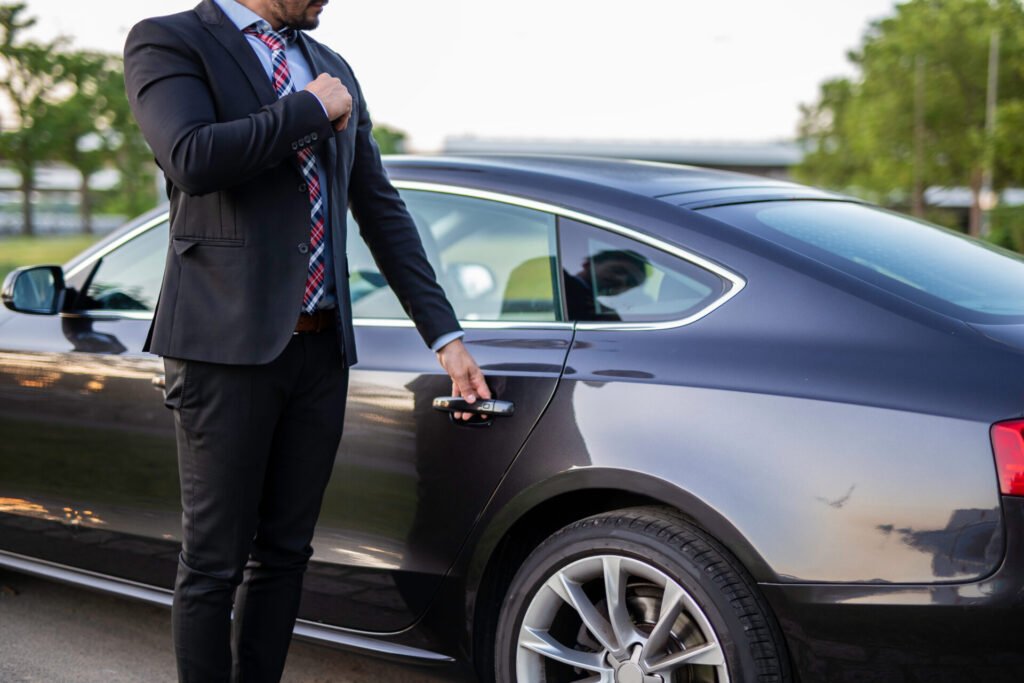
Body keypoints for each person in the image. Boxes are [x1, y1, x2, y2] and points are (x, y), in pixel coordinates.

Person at [123, 1, 490, 681]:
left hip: (321, 351)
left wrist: (443, 334)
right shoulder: (169, 41)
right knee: (213, 560)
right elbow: (191, 156)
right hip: (222, 349)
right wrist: (308, 111)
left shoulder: (330, 66)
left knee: (286, 552)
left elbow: (379, 205)